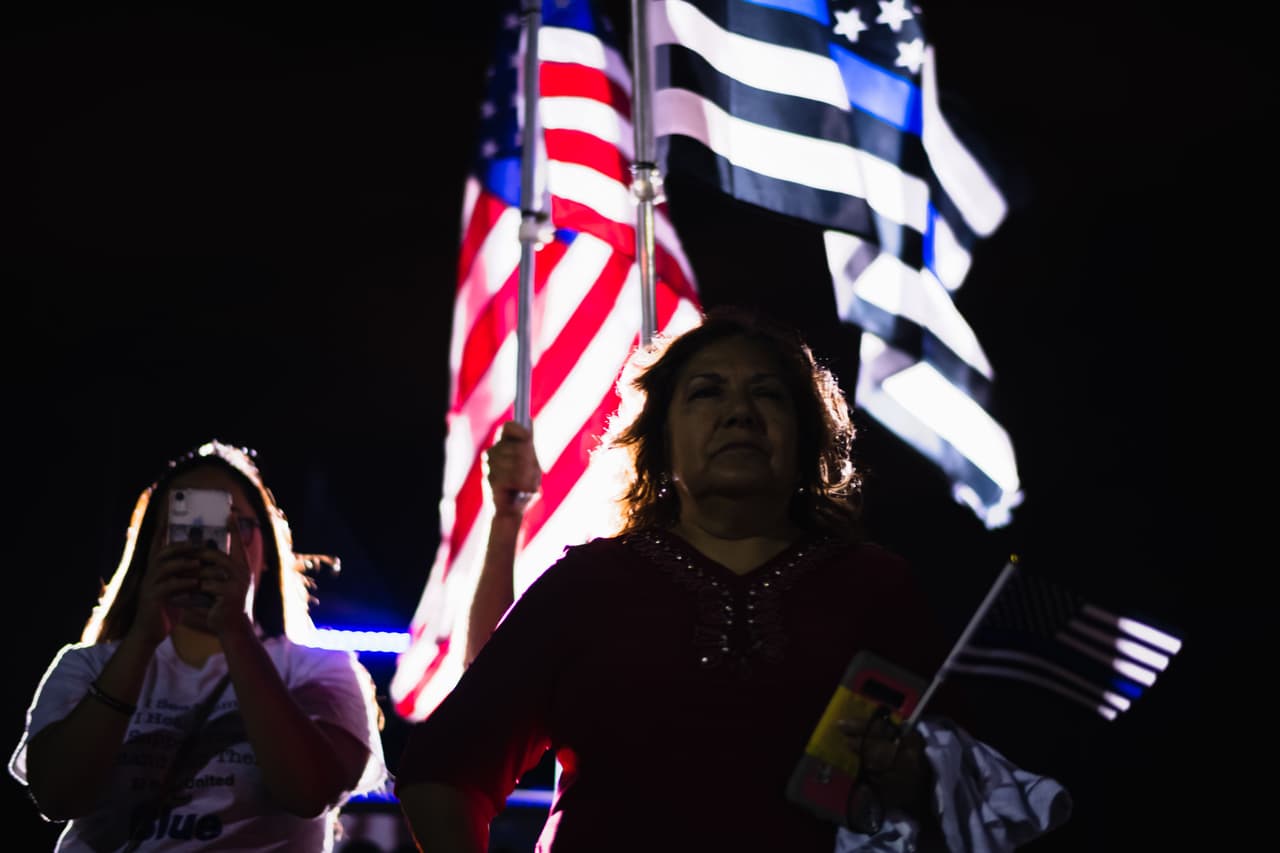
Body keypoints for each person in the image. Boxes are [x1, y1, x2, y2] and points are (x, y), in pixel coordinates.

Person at [394, 308, 1069, 852]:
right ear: (659, 442)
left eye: (767, 394)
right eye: (706, 391)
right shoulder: (585, 584)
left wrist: (916, 772)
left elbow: (978, 788)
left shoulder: (879, 587)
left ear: (807, 440)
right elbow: (443, 772)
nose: (739, 412)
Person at [10, 440, 388, 851]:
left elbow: (308, 793)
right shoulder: (87, 666)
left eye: (235, 525)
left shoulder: (321, 669)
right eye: (183, 525)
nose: (211, 542)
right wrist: (140, 640)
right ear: (152, 546)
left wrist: (235, 630)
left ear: (264, 550)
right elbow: (58, 795)